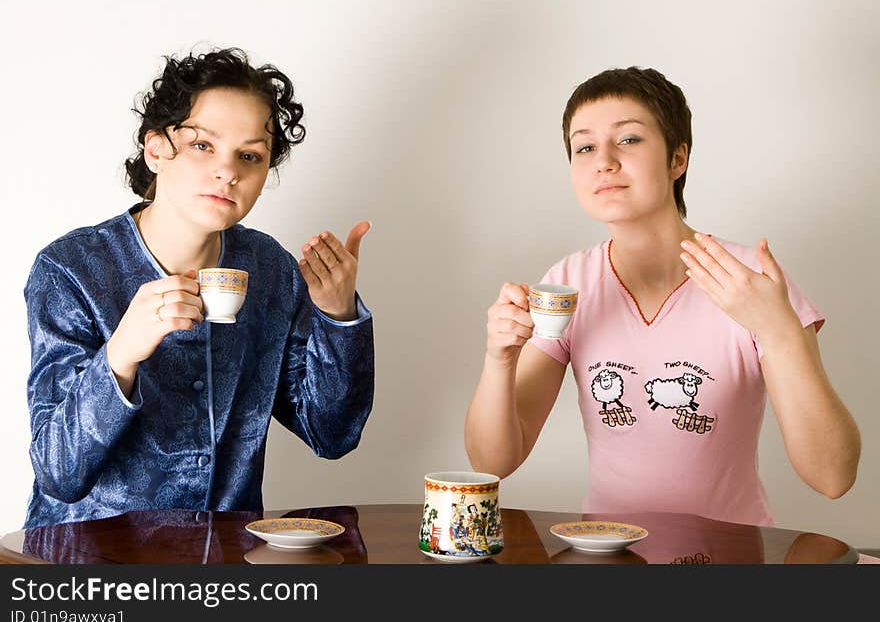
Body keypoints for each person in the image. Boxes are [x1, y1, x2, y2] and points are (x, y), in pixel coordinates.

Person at [465, 67, 860, 527]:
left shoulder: (752, 279)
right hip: (610, 558)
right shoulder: (569, 282)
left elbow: (834, 476)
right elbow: (492, 463)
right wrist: (499, 358)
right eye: (585, 146)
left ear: (678, 158)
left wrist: (779, 331)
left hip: (732, 561)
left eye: (628, 140)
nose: (604, 161)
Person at [24, 47, 375, 528]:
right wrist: (121, 356)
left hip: (224, 568)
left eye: (249, 156)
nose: (228, 171)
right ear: (155, 149)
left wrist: (338, 317)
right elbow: (58, 474)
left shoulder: (270, 270)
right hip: (89, 566)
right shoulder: (72, 269)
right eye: (203, 146)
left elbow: (332, 435)